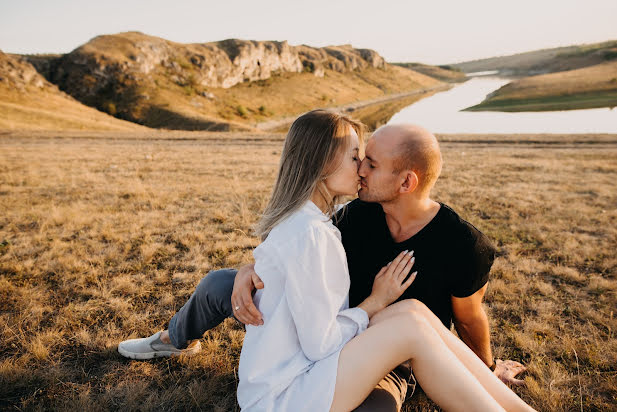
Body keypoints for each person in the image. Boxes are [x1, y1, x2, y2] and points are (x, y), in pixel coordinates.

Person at [118, 112, 529, 411]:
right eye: (358, 158)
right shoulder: (351, 215)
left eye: (370, 163)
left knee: (414, 317)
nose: (362, 170)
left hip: (371, 348)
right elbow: (293, 250)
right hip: (320, 346)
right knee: (217, 283)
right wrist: (253, 268)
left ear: (407, 182)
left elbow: (471, 319)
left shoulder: (463, 243)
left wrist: (488, 367)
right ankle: (173, 340)